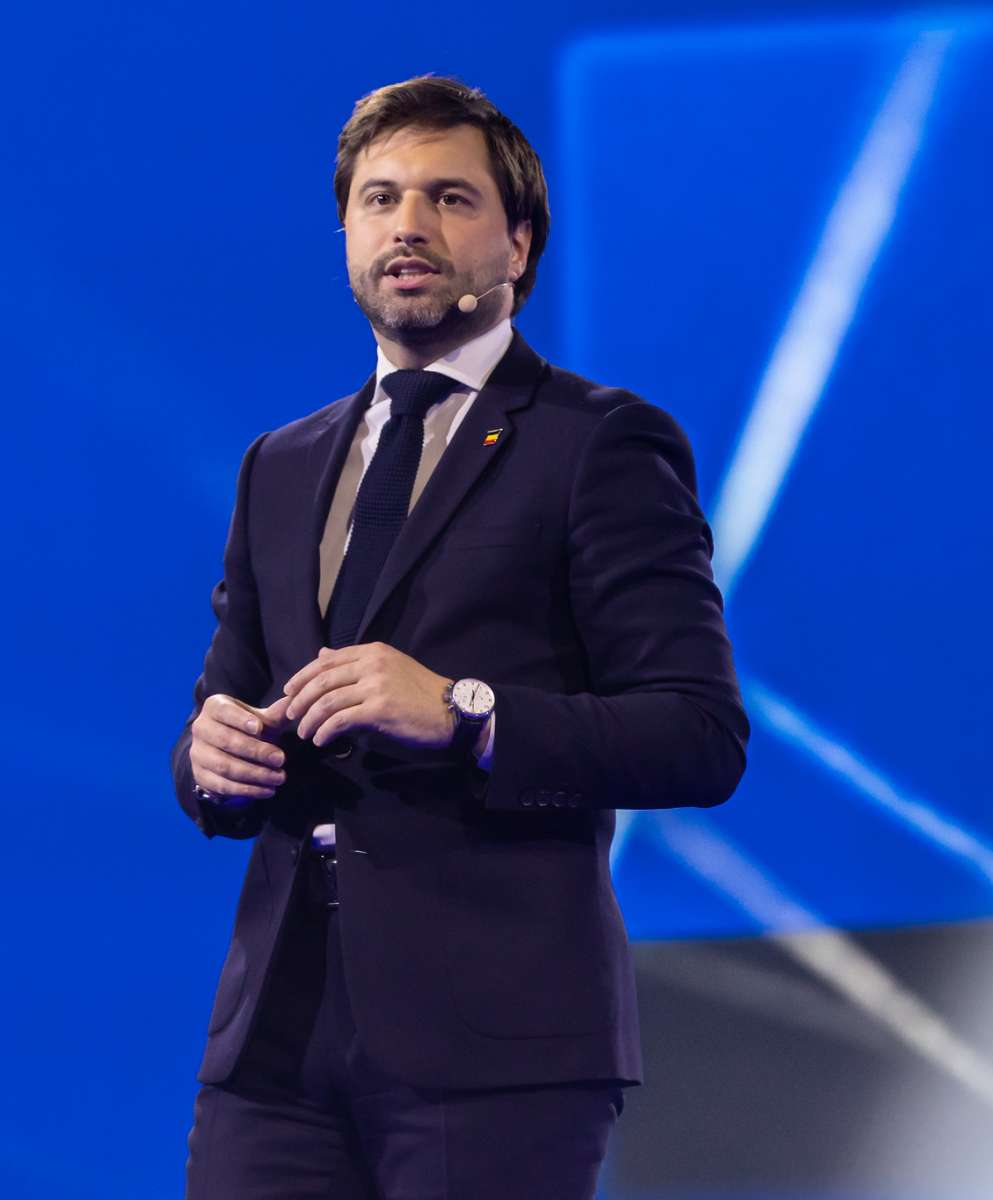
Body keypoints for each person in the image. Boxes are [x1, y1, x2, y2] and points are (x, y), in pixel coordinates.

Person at [172, 75, 748, 1198]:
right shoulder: (279, 465)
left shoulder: (600, 443)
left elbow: (697, 734)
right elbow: (220, 712)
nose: (409, 227)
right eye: (380, 199)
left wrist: (464, 714)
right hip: (275, 1042)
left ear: (518, 244)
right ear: (346, 231)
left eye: (450, 199)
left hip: (498, 1050)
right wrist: (210, 759)